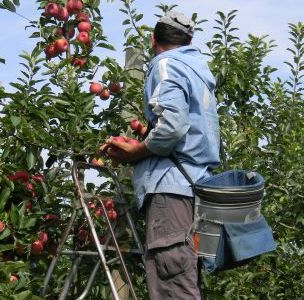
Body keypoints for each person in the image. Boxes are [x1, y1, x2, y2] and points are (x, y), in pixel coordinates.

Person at [104, 11, 220, 300]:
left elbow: (173, 127)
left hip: (172, 192)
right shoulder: (198, 71)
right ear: (190, 41)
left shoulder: (166, 64)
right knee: (187, 279)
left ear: (153, 39)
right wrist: (151, 133)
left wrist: (136, 151)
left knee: (173, 288)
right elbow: (187, 129)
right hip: (200, 190)